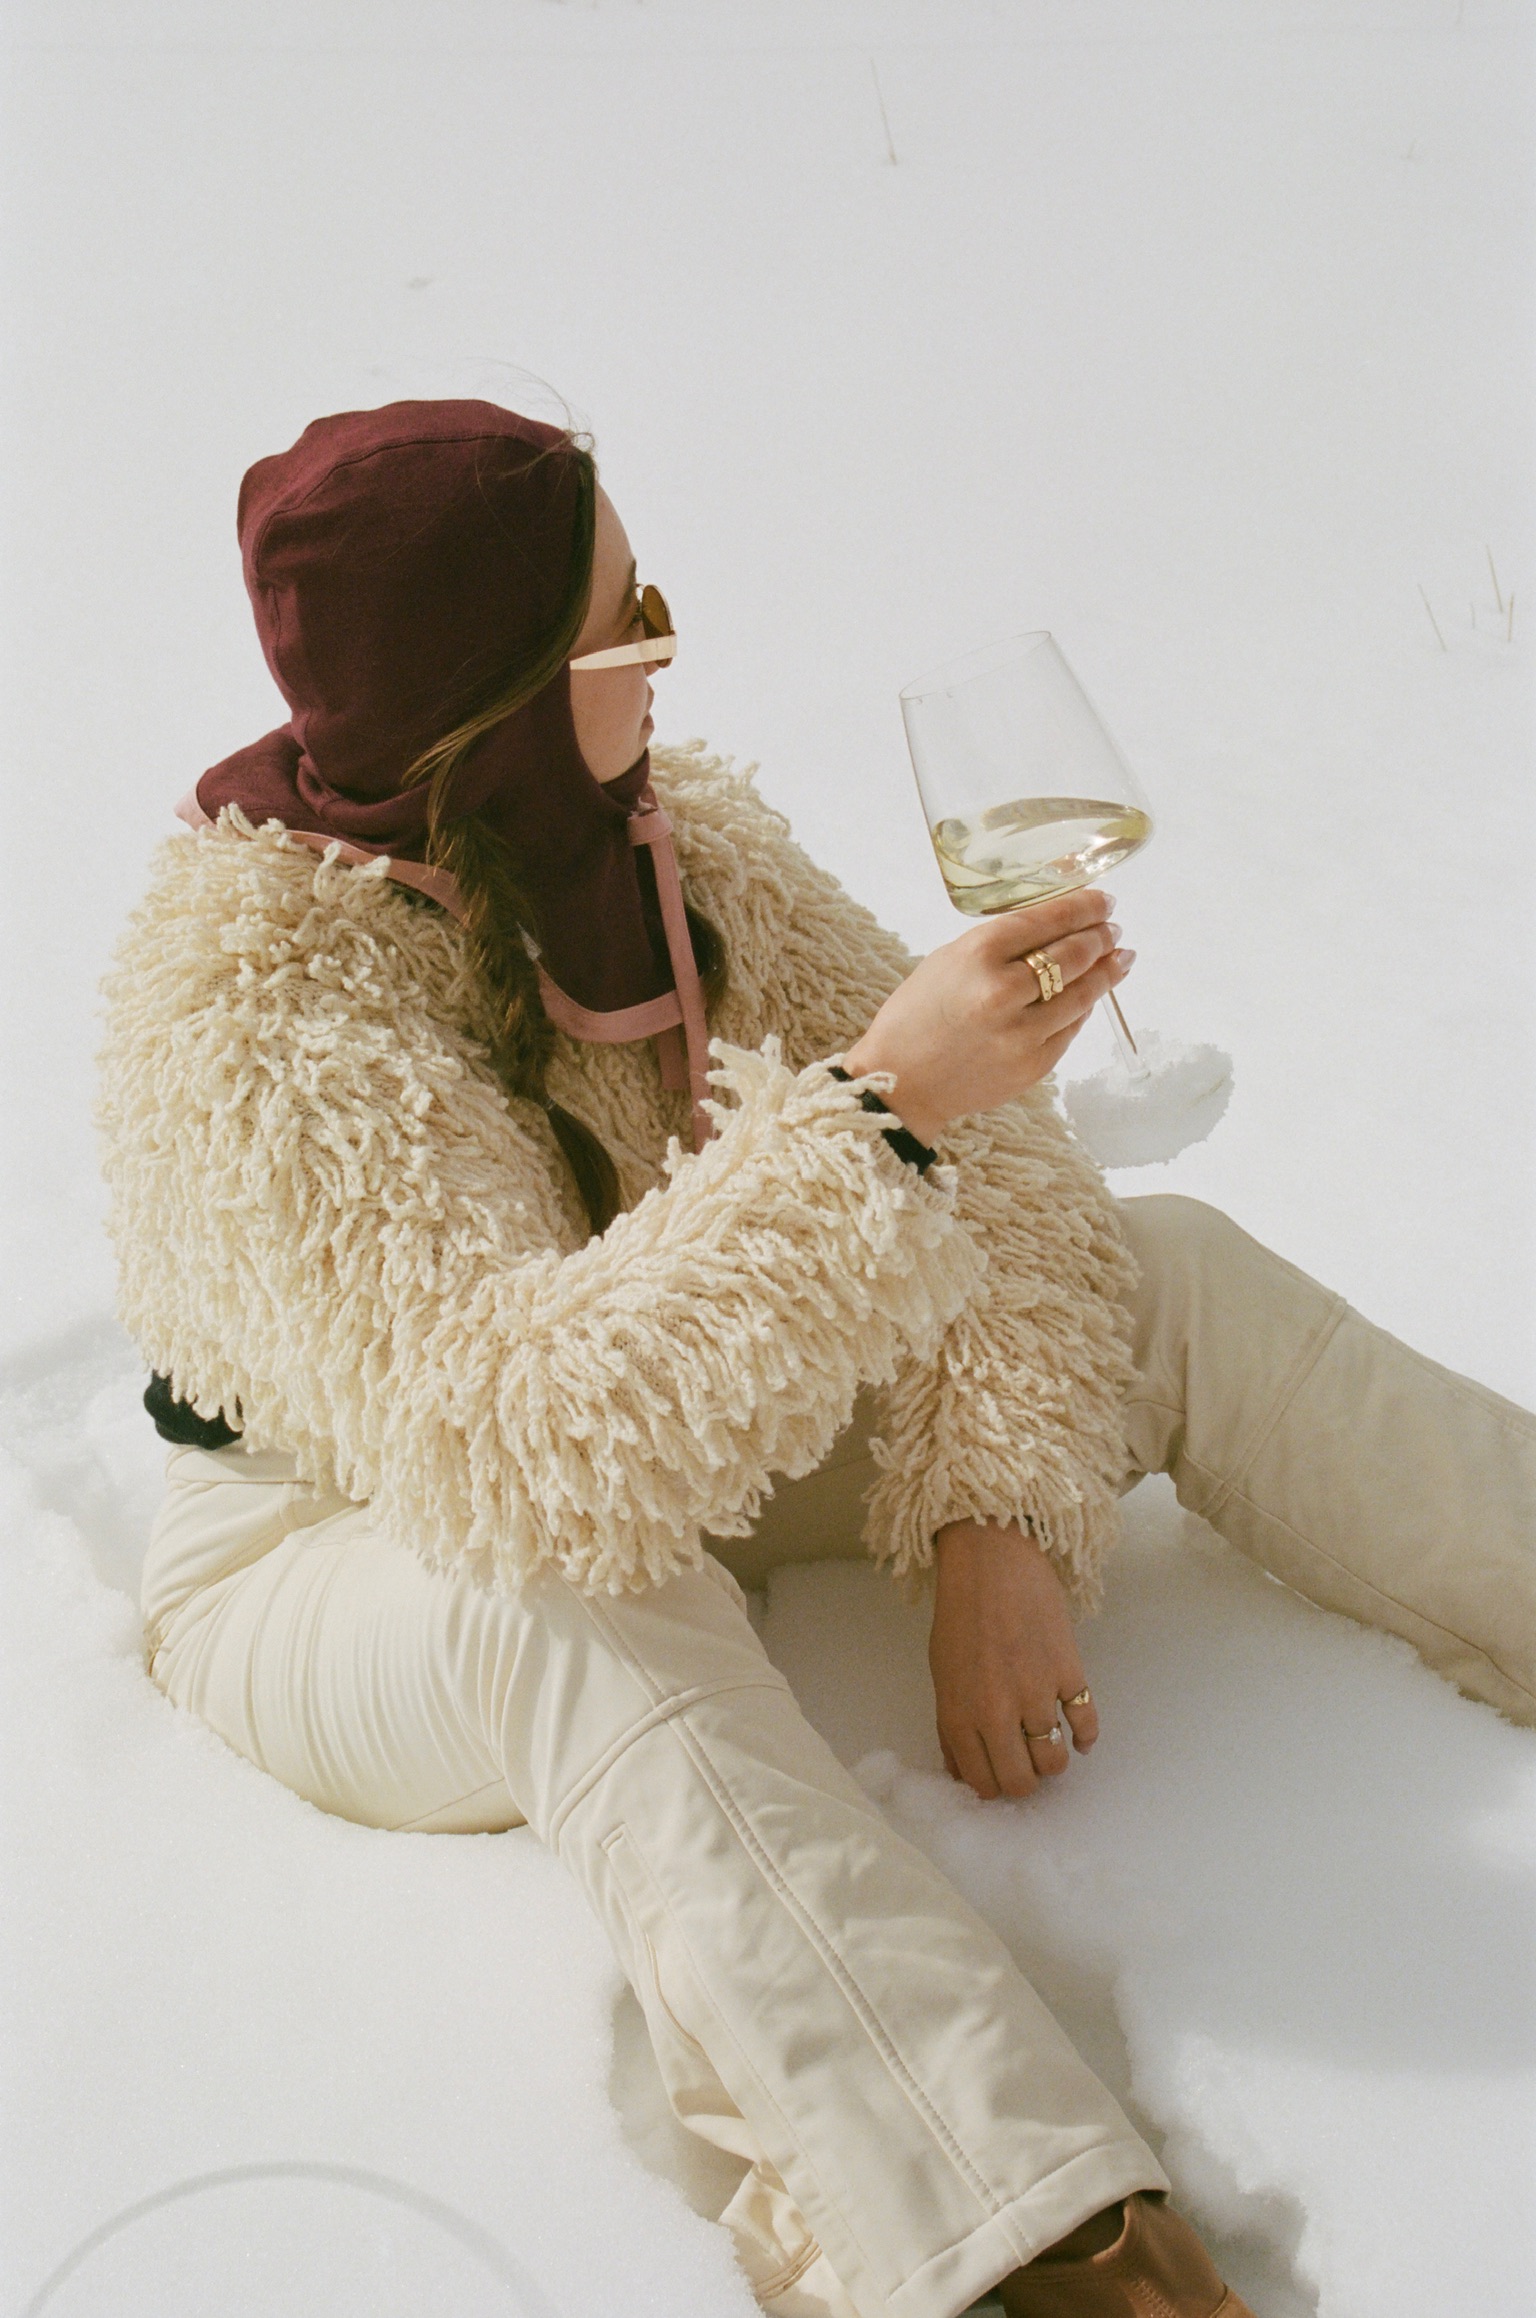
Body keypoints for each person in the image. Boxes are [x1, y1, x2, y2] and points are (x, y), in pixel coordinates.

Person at [98, 400, 1535, 2318]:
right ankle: (1017, 2240)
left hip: (649, 1419)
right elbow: (515, 1453)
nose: (669, 649)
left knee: (1163, 1267)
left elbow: (1012, 1186)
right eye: (628, 618)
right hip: (339, 1539)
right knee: (576, 1610)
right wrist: (875, 1115)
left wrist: (996, 1505)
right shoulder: (260, 999)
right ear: (492, 695)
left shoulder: (669, 838)